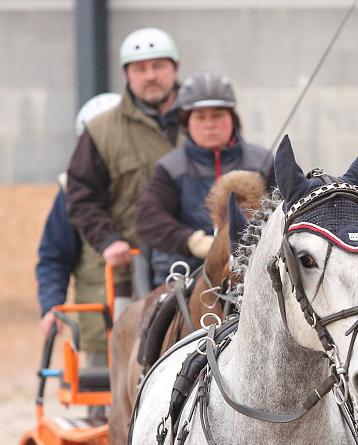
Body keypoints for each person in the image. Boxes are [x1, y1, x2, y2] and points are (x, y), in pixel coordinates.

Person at [65, 27, 183, 355]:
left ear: (175, 68)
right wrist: (107, 240)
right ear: (127, 75)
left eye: (158, 66)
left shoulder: (205, 120)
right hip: (132, 273)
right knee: (124, 362)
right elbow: (80, 193)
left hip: (198, 262)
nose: (150, 76)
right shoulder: (102, 131)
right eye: (140, 69)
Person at [135, 71, 274, 287]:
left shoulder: (263, 161)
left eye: (218, 115)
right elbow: (148, 219)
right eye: (200, 117)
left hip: (254, 275)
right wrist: (193, 241)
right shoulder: (170, 168)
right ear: (186, 122)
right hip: (185, 276)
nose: (210, 124)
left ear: (233, 118)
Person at [36, 92, 122, 341]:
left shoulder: (159, 182)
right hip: (100, 325)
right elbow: (54, 256)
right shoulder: (69, 191)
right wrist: (52, 305)